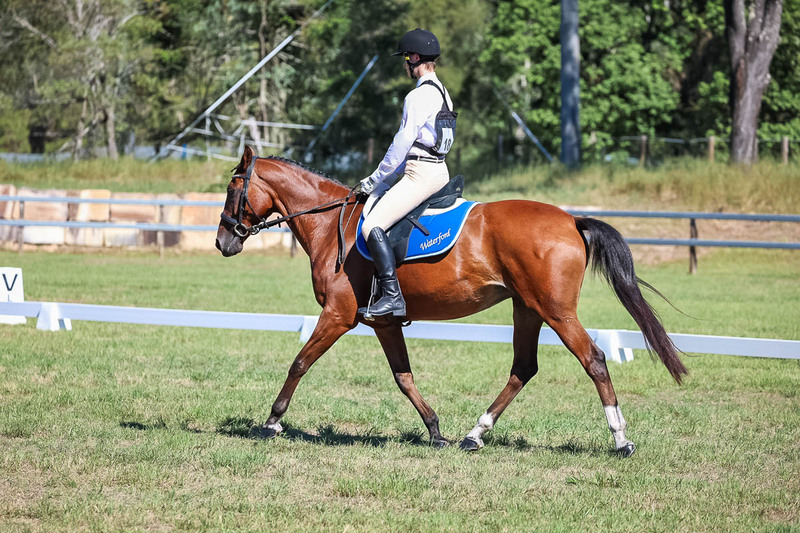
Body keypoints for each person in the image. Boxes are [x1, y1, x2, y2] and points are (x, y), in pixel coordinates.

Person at [356, 28, 457, 319]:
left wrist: (373, 179)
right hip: (439, 169)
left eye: (406, 59)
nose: (405, 65)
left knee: (370, 224)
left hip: (420, 174)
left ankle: (392, 297)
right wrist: (385, 180)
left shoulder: (418, 96)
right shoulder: (443, 93)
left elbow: (401, 146)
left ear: (415, 58)